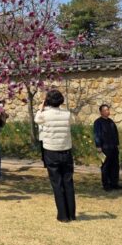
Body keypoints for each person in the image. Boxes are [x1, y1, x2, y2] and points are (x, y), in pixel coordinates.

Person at [35, 89, 76, 222]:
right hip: (66, 150)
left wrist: (41, 108)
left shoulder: (44, 115)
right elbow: (73, 121)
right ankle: (71, 214)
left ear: (47, 101)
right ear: (61, 101)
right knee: (68, 182)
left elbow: (37, 119)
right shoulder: (67, 114)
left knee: (57, 183)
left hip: (51, 151)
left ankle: (63, 215)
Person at [94, 104, 122, 191]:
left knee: (115, 166)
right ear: (101, 112)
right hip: (104, 148)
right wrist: (98, 146)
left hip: (113, 147)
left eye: (108, 110)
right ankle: (106, 185)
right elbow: (97, 134)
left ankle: (114, 183)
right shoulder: (98, 122)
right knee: (105, 166)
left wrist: (117, 144)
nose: (107, 111)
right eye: (105, 110)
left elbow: (115, 133)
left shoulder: (111, 122)